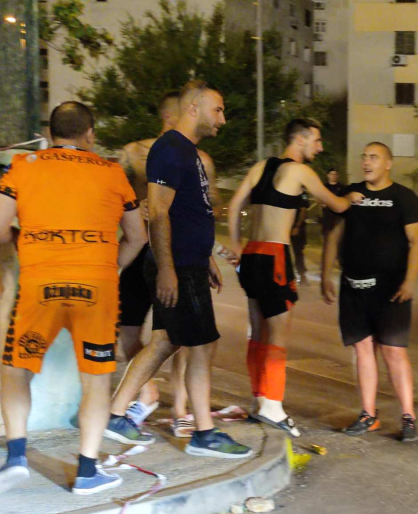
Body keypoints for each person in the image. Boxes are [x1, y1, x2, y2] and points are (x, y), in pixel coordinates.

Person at [0, 102, 149, 495]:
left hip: (41, 288)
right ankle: (87, 471)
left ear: (51, 133)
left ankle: (16, 456)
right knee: (96, 381)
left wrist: (23, 242)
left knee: (17, 369)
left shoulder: (24, 165)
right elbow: (138, 236)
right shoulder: (112, 173)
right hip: (96, 291)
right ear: (89, 133)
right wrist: (110, 266)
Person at [105, 79, 252, 459]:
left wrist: (206, 258)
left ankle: (117, 415)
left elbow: (192, 214)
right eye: (217, 110)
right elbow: (158, 212)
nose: (222, 118)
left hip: (189, 262)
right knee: (202, 345)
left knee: (167, 341)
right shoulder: (170, 150)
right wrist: (169, 269)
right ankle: (203, 433)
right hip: (176, 266)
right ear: (194, 109)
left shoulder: (189, 154)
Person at [227, 118, 360, 436]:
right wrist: (353, 198)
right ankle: (273, 407)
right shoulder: (300, 171)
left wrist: (235, 245)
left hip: (252, 254)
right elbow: (337, 204)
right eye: (317, 140)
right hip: (274, 255)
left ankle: (260, 400)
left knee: (258, 331)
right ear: (300, 140)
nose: (320, 146)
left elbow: (234, 205)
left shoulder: (261, 167)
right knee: (278, 335)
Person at [322, 142, 418, 442]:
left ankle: (408, 416)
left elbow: (417, 241)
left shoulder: (404, 198)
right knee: (363, 349)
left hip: (391, 289)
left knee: (393, 351)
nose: (366, 162)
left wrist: (410, 280)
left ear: (388, 163)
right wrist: (326, 274)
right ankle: (369, 415)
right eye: (364, 156)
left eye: (374, 157)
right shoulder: (351, 195)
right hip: (353, 286)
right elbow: (334, 234)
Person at [116, 90, 201, 438]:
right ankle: (148, 392)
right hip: (140, 251)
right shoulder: (133, 153)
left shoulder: (196, 159)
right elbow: (115, 195)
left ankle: (180, 406)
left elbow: (205, 208)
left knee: (176, 334)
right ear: (171, 116)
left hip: (176, 251)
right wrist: (138, 206)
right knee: (128, 331)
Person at [289, 197, 309, 281]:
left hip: (297, 227)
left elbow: (303, 211)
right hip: (285, 225)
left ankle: (302, 275)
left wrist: (297, 226)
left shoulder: (302, 194)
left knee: (298, 251)